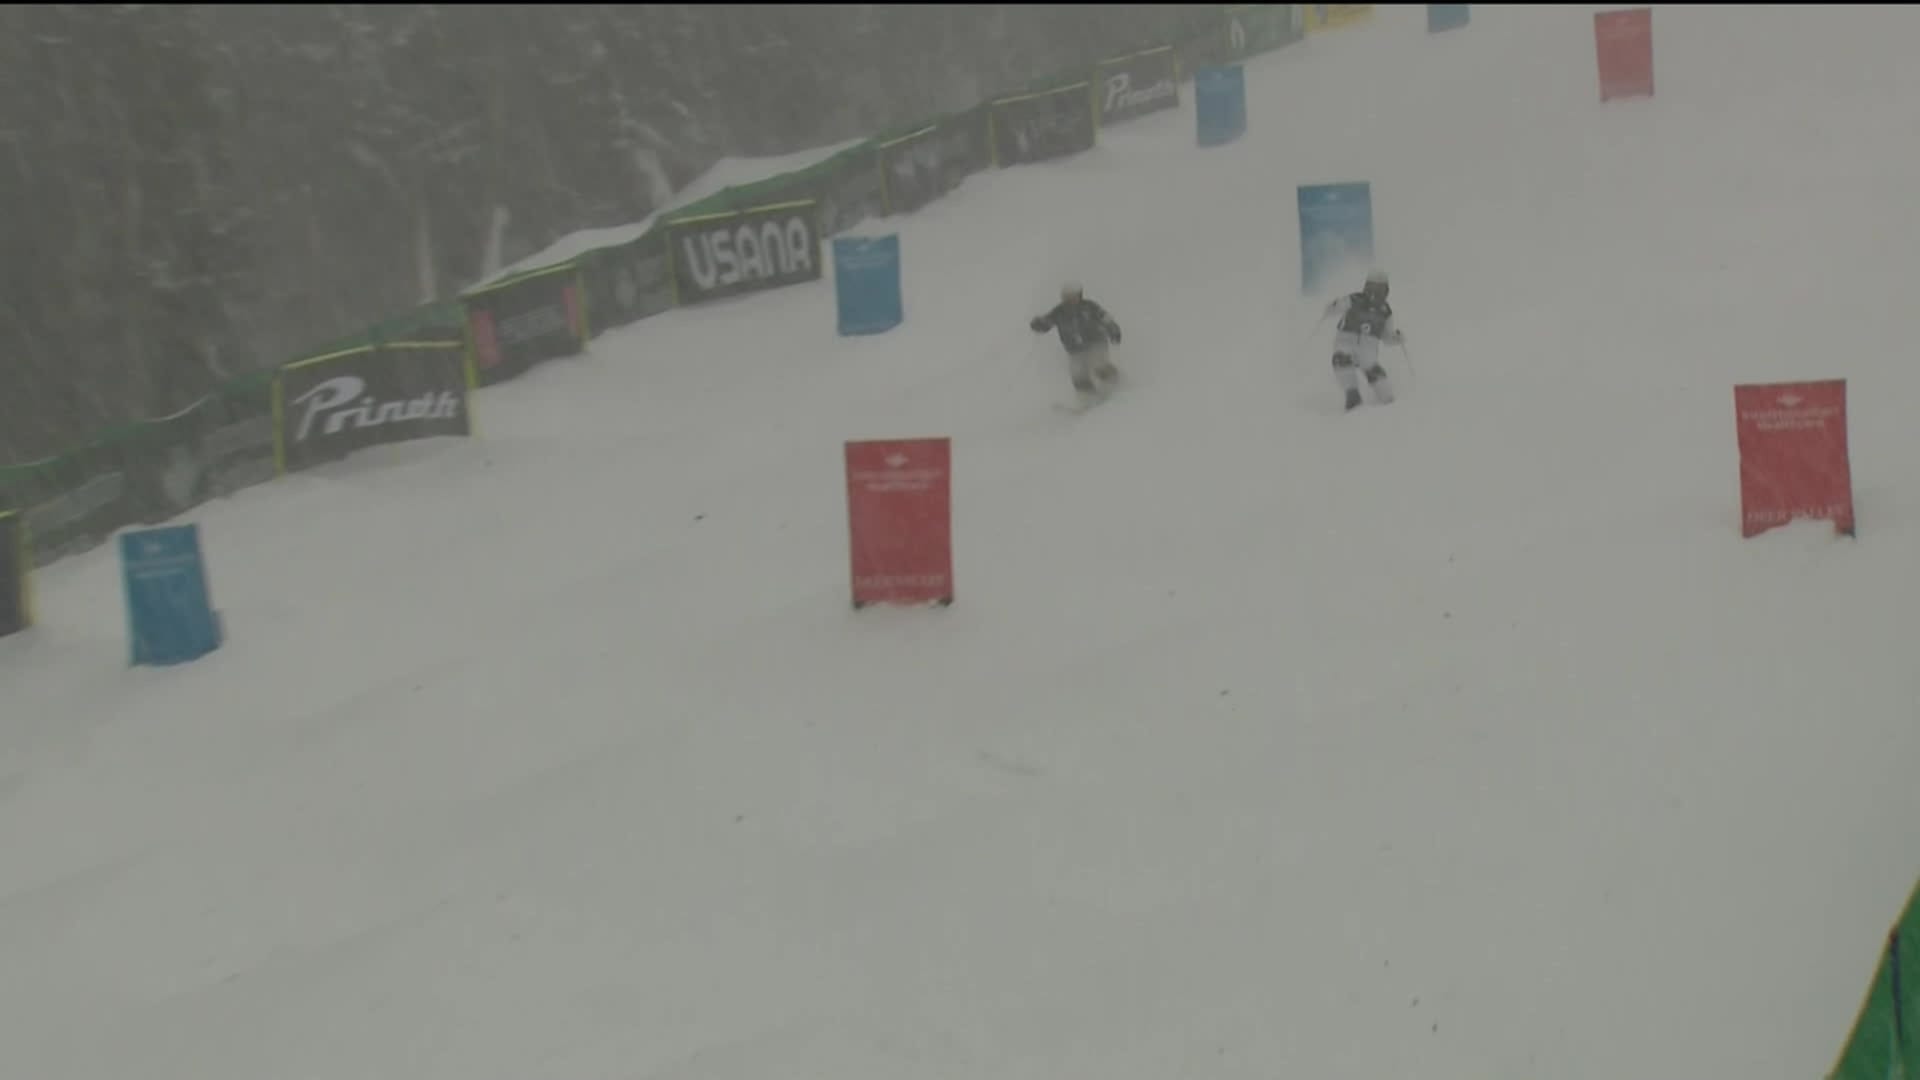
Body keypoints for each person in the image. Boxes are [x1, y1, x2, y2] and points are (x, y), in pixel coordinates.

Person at [1324, 269, 1404, 411]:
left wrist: (1396, 339)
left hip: (1368, 348)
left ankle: (1389, 403)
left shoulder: (1385, 311)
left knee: (1373, 369)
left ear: (1386, 291)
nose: (1374, 294)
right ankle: (1352, 394)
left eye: (1379, 290)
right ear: (1365, 287)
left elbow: (1387, 337)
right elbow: (1332, 310)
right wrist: (1333, 306)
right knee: (1341, 359)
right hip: (1346, 342)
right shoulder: (1355, 300)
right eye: (1371, 289)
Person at [1030, 281, 1123, 403]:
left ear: (1079, 296)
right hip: (1074, 349)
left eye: (1072, 296)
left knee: (1098, 363)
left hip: (1095, 343)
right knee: (1077, 372)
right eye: (1066, 297)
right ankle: (1088, 397)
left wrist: (1113, 330)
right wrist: (1039, 324)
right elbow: (1047, 322)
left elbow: (1105, 318)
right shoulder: (1059, 312)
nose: (1069, 300)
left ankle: (1113, 386)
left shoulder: (1089, 307)